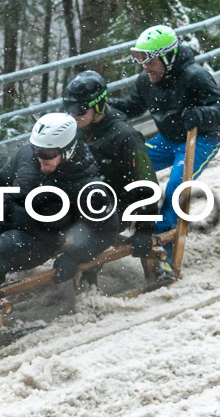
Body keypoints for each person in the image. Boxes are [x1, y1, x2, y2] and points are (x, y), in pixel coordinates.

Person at [0, 113, 119, 336]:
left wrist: (74, 256)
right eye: (36, 149)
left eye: (47, 153)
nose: (40, 157)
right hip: (11, 216)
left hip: (42, 238)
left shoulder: (88, 187)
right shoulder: (29, 157)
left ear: (67, 150)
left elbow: (107, 231)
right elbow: (1, 183)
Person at [110, 25, 220, 281]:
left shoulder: (194, 76)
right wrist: (104, 105)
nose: (144, 66)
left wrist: (198, 115)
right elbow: (132, 107)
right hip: (168, 139)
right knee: (130, 165)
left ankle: (162, 248)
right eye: (139, 58)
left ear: (167, 56)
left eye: (149, 59)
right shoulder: (147, 80)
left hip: (200, 139)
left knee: (177, 186)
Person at [62, 70, 160, 283]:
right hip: (87, 195)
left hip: (118, 204)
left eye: (79, 110)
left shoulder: (126, 137)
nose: (72, 115)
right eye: (68, 109)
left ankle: (89, 282)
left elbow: (147, 185)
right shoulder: (76, 127)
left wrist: (144, 229)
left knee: (89, 227)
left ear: (98, 106)